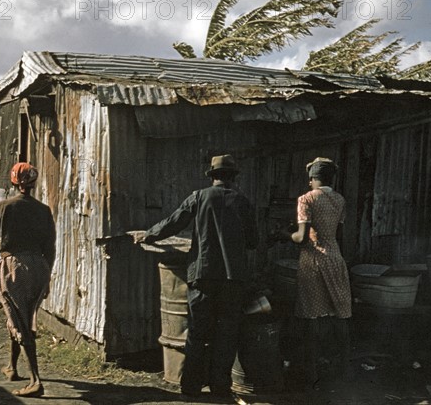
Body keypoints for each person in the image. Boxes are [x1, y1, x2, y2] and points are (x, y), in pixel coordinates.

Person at [134, 154, 258, 399]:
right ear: (233, 177)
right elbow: (253, 242)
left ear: (212, 177)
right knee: (226, 334)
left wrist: (149, 235)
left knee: (198, 333)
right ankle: (220, 387)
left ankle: (190, 388)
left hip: (202, 276)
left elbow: (174, 222)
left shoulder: (199, 197)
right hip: (233, 280)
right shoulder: (243, 202)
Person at [271, 157, 352, 387]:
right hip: (335, 257)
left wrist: (282, 235)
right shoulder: (339, 199)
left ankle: (311, 373)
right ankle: (345, 370)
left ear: (313, 179)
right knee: (341, 313)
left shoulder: (306, 199)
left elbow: (301, 238)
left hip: (314, 259)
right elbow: (338, 231)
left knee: (311, 316)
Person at [0, 162, 56, 398]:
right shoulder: (44, 210)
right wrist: (47, 275)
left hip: (14, 268)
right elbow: (49, 248)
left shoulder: (3, 207)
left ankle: (35, 381)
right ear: (33, 182)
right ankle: (12, 367)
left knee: (19, 322)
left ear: (13, 181)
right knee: (20, 316)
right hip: (39, 268)